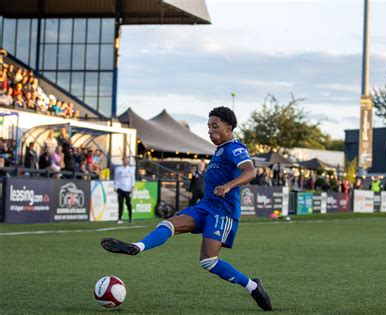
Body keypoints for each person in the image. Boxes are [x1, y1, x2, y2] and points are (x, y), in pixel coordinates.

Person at [100, 107, 272, 311]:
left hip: (223, 212)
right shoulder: (219, 150)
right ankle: (137, 247)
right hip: (205, 206)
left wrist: (228, 185)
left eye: (214, 126)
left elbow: (251, 171)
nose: (210, 131)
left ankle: (252, 286)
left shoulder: (235, 148)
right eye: (208, 126)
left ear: (229, 127)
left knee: (208, 261)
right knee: (168, 224)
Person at [114, 156, 135, 224]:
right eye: (124, 160)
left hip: (128, 189)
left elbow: (133, 179)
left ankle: (130, 217)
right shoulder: (118, 169)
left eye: (127, 160)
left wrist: (132, 186)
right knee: (120, 204)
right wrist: (115, 186)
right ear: (122, 161)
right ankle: (119, 218)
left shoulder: (131, 169)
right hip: (120, 188)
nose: (125, 161)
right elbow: (116, 178)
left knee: (128, 203)